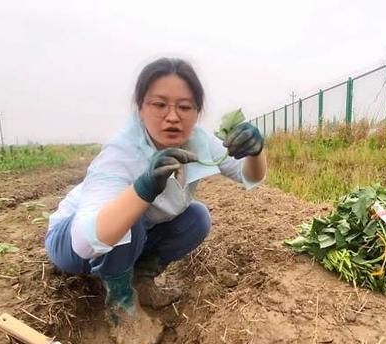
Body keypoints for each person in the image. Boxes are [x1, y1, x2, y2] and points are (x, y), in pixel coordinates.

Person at [44, 57, 266, 344]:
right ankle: (120, 304)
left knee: (196, 218)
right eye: (159, 105)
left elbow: (251, 177)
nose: (173, 116)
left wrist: (256, 151)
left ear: (197, 112)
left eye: (185, 107)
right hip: (71, 244)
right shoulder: (121, 153)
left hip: (130, 237)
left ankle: (141, 280)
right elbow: (84, 243)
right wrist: (143, 188)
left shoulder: (198, 140)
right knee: (131, 215)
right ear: (141, 108)